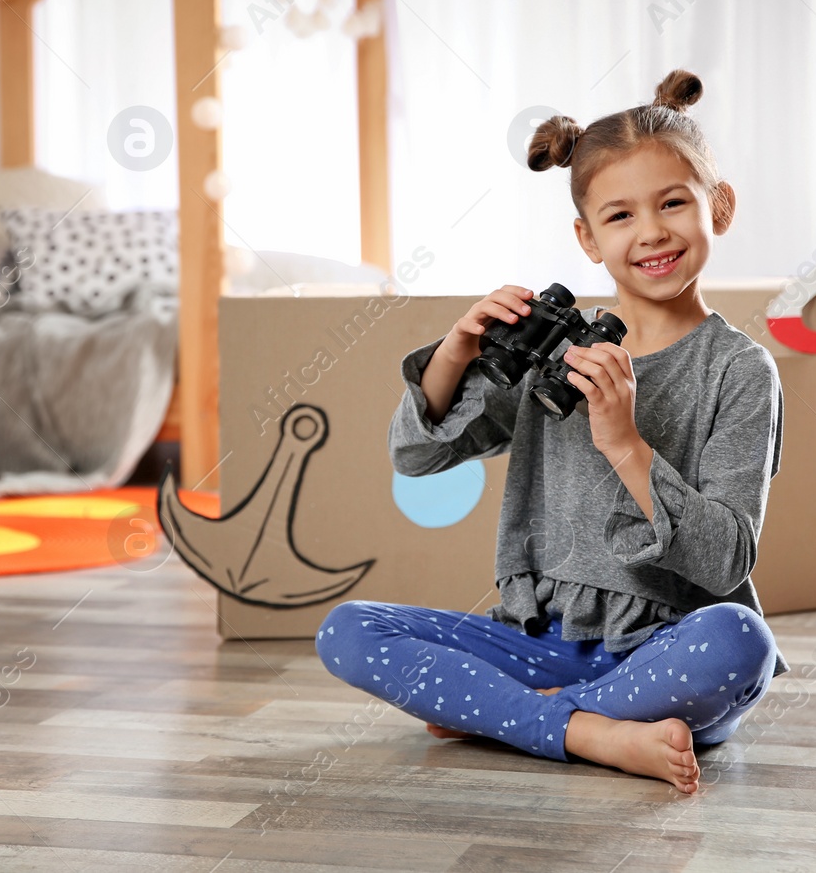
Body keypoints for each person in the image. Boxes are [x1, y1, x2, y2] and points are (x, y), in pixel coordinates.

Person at [317, 70, 786, 794]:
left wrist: (626, 443)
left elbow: (726, 562)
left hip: (664, 652)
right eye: (620, 216)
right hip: (543, 643)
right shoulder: (557, 356)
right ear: (587, 238)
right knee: (348, 630)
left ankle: (519, 720)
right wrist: (456, 350)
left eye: (673, 204)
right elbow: (415, 455)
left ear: (718, 208)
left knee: (739, 642)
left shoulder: (739, 370)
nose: (652, 231)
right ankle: (590, 730)